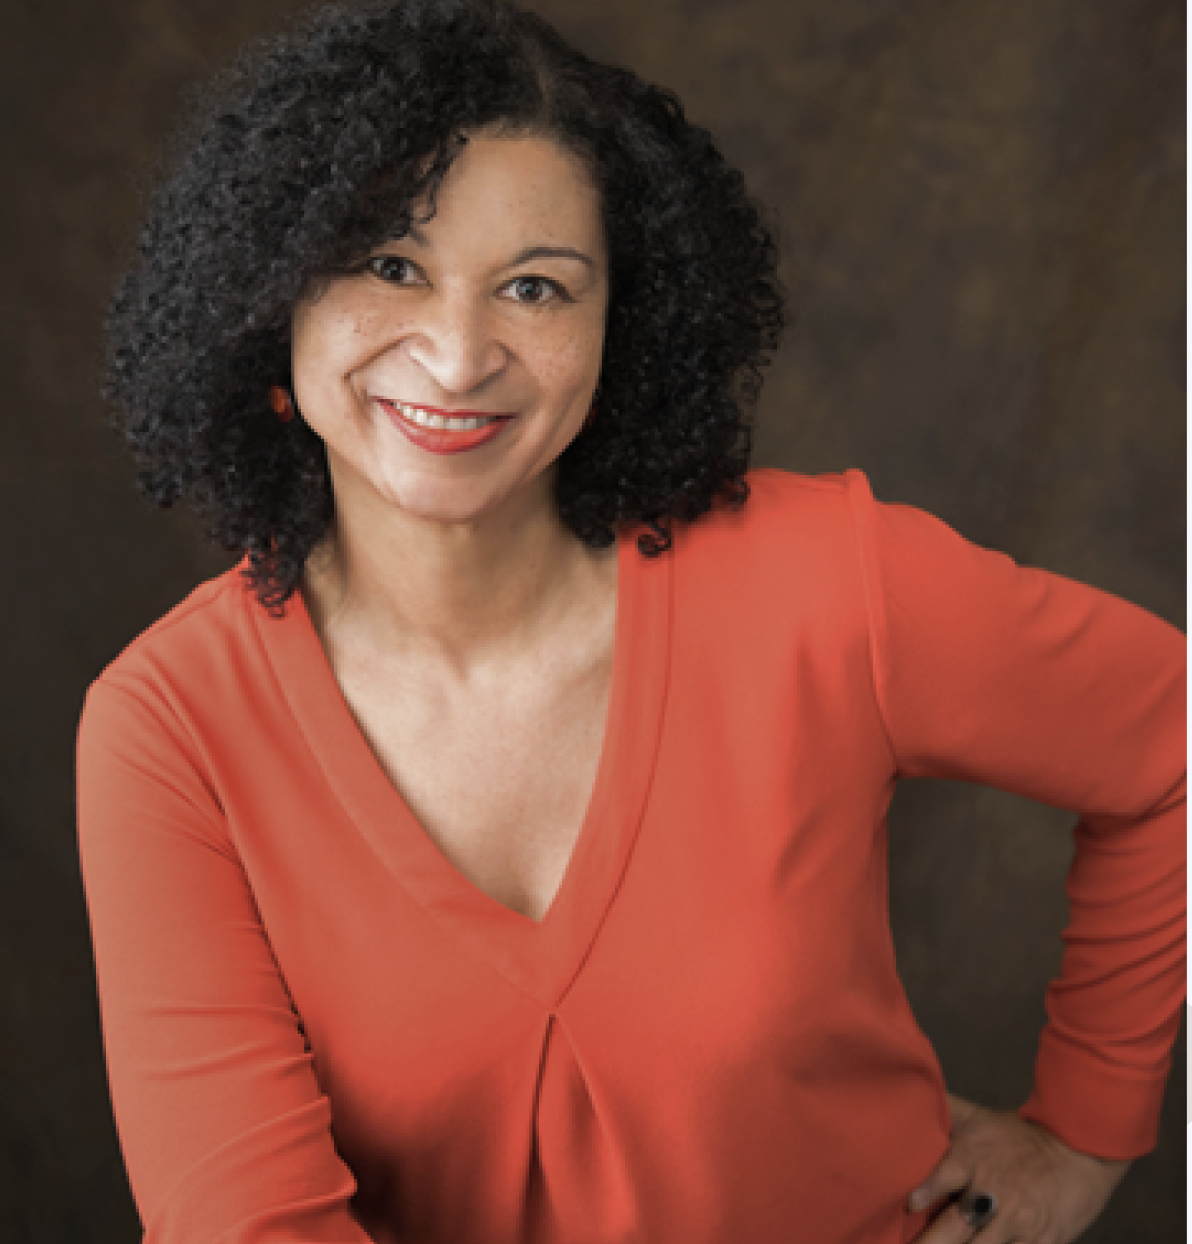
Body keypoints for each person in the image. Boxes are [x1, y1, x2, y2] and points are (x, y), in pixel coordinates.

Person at [77, 1, 1185, 1242]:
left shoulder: (828, 582)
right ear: (270, 284)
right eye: (390, 265)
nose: (458, 354)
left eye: (534, 287)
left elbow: (1170, 741)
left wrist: (1086, 1128)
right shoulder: (169, 727)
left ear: (625, 324)